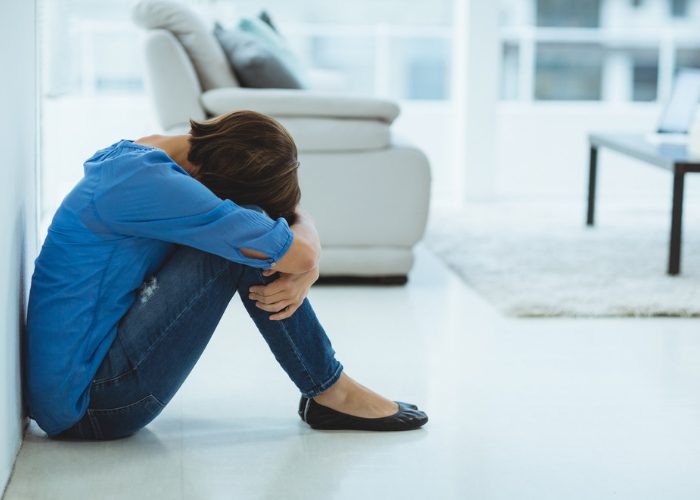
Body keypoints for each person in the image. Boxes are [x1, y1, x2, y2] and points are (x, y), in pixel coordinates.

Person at [25, 110, 428, 440]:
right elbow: (298, 252)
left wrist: (300, 255)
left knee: (249, 233)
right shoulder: (158, 188)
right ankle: (330, 390)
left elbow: (289, 236)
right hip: (93, 404)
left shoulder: (144, 155)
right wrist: (307, 265)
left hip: (76, 385)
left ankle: (327, 389)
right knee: (240, 247)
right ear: (217, 185)